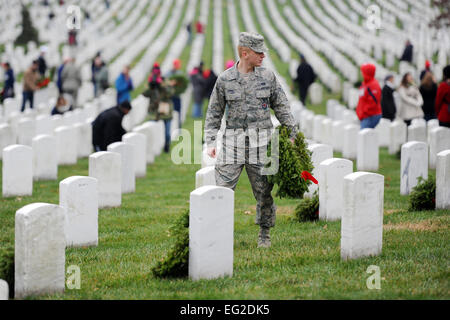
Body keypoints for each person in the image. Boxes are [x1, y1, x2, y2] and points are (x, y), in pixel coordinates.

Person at [204, 32, 297, 248]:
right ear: (245, 53)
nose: (263, 55)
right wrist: (210, 141)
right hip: (232, 144)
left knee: (264, 191)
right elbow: (214, 112)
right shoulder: (225, 80)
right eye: (259, 52)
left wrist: (292, 133)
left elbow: (282, 106)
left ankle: (265, 233)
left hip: (261, 144)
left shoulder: (268, 77)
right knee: (222, 189)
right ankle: (217, 232)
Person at [143, 63, 176, 153]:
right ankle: (151, 149)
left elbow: (171, 93)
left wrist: (161, 84)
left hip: (165, 110)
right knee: (151, 131)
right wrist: (151, 86)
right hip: (154, 111)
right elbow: (144, 94)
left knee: (167, 133)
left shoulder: (165, 81)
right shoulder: (150, 82)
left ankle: (166, 147)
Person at [356, 63, 382, 129]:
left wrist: (363, 112)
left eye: (363, 71)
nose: (361, 73)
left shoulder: (374, 85)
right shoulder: (365, 84)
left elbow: (373, 102)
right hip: (365, 116)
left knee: (365, 136)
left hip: (371, 116)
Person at [164, 59, 185, 129]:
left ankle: (178, 128)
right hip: (169, 97)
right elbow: (164, 83)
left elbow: (183, 84)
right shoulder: (168, 74)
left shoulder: (180, 74)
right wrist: (170, 83)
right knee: (168, 114)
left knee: (178, 112)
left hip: (177, 97)